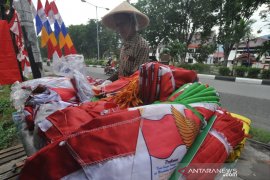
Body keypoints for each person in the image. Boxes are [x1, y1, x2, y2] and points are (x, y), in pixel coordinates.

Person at [102, 1, 150, 81]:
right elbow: (121, 71)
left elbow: (136, 78)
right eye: (118, 25)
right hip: (120, 87)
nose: (120, 29)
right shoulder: (124, 45)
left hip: (130, 91)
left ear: (133, 23)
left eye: (123, 24)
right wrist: (107, 82)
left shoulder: (142, 45)